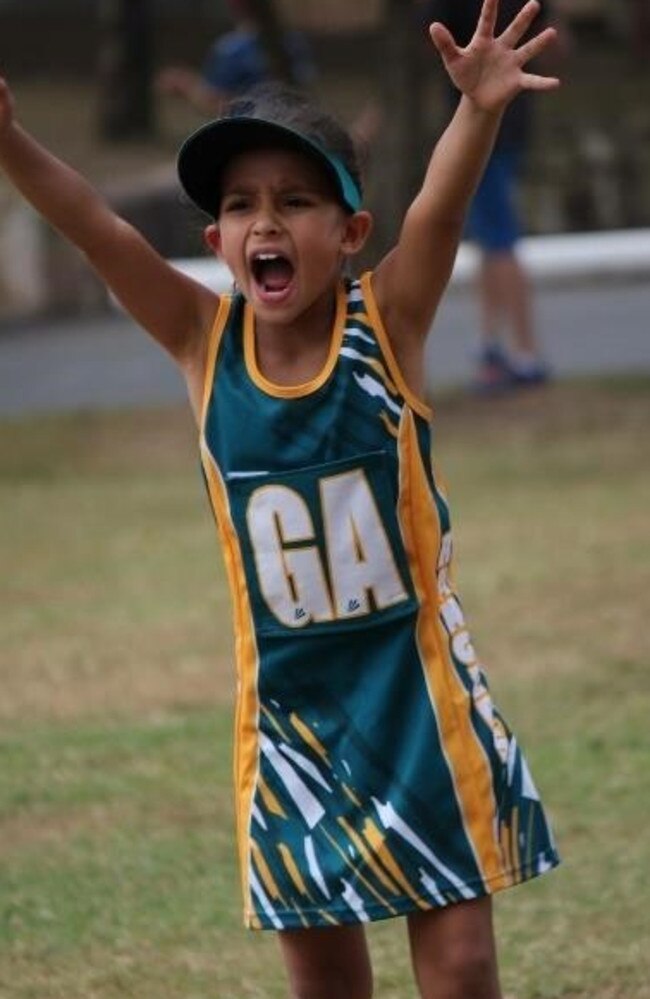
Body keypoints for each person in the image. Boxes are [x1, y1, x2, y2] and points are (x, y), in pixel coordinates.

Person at [0, 2, 561, 995]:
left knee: (463, 961)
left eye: (297, 201)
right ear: (215, 237)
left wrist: (473, 112)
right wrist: (10, 143)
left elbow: (435, 208)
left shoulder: (386, 321)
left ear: (348, 231)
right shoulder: (198, 342)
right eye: (243, 204)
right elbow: (95, 229)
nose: (267, 221)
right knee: (324, 978)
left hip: (417, 697)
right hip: (290, 721)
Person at [424, 0, 559, 392]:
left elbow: (431, 33)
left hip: (487, 126)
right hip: (505, 121)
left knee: (499, 240)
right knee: (490, 239)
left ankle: (524, 353)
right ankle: (492, 345)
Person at [156, 0, 317, 118]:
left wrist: (186, 86)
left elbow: (217, 104)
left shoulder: (231, 49)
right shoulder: (294, 41)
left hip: (249, 131)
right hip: (292, 127)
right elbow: (305, 90)